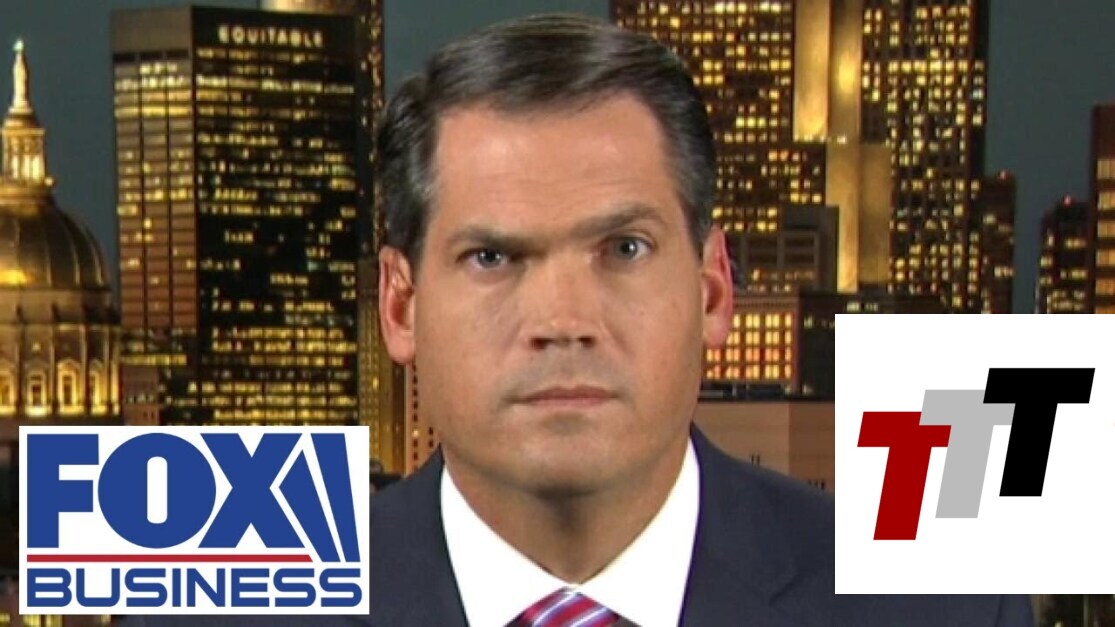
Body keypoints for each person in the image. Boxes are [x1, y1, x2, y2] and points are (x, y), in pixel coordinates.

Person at [123, 13, 1034, 627]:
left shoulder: (941, 605)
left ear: (713, 291)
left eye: (623, 249)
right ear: (400, 306)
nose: (562, 320)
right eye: (493, 258)